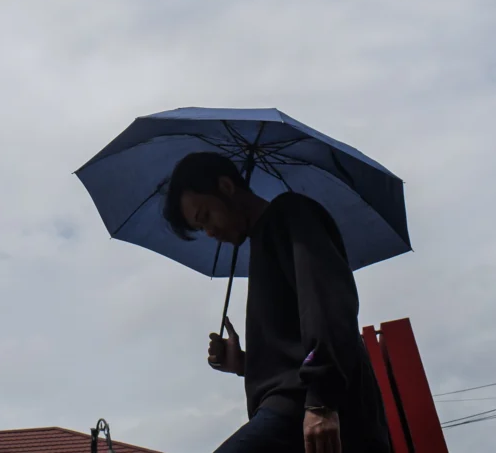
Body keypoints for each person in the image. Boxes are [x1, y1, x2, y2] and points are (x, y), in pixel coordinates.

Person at [163, 152, 392, 453]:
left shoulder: (291, 214)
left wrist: (321, 402)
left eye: (205, 216)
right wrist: (243, 363)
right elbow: (291, 350)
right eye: (200, 228)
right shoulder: (263, 241)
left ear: (227, 187)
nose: (210, 232)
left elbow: (329, 306)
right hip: (294, 412)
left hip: (306, 410)